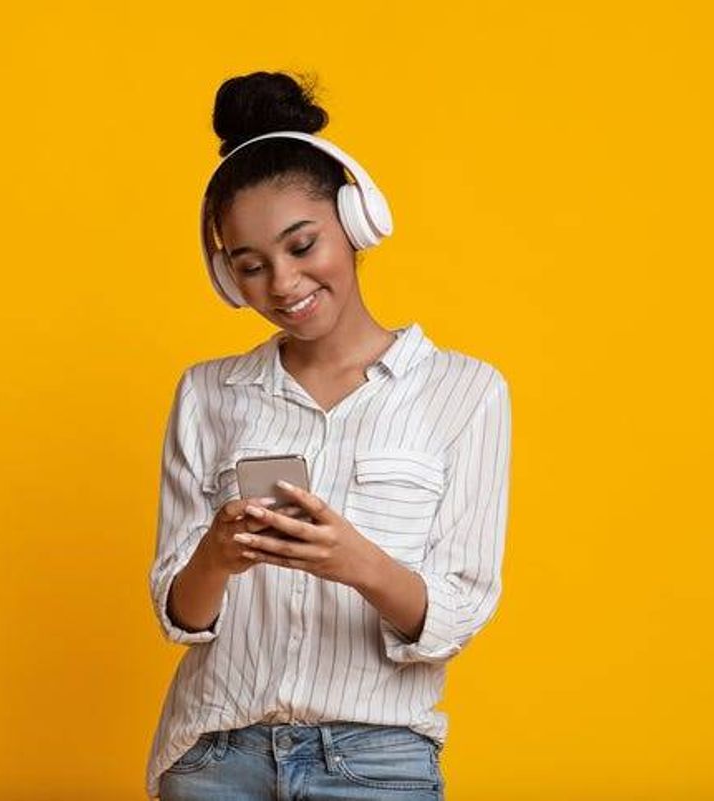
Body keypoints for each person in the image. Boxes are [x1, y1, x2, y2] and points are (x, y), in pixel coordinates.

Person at [145, 70, 512, 801]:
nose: (282, 283)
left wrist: (359, 563)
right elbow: (178, 613)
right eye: (250, 266)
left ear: (356, 221)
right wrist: (216, 556)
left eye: (302, 245)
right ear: (227, 277)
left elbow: (459, 611)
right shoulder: (207, 393)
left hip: (375, 760)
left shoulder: (466, 391)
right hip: (215, 752)